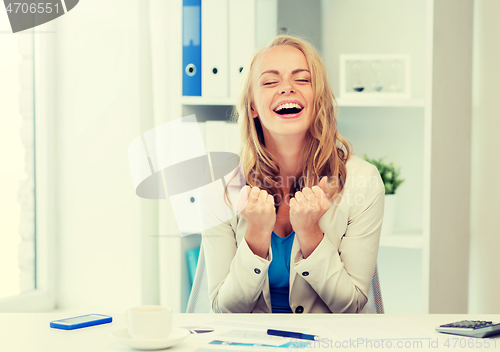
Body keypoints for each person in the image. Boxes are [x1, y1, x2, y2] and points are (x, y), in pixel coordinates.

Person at [200, 35, 384, 314]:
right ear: (252, 107)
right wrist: (257, 235)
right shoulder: (219, 187)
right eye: (270, 81)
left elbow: (352, 305)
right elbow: (224, 308)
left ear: (318, 98)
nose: (286, 88)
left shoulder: (363, 181)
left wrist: (311, 234)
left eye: (302, 79)